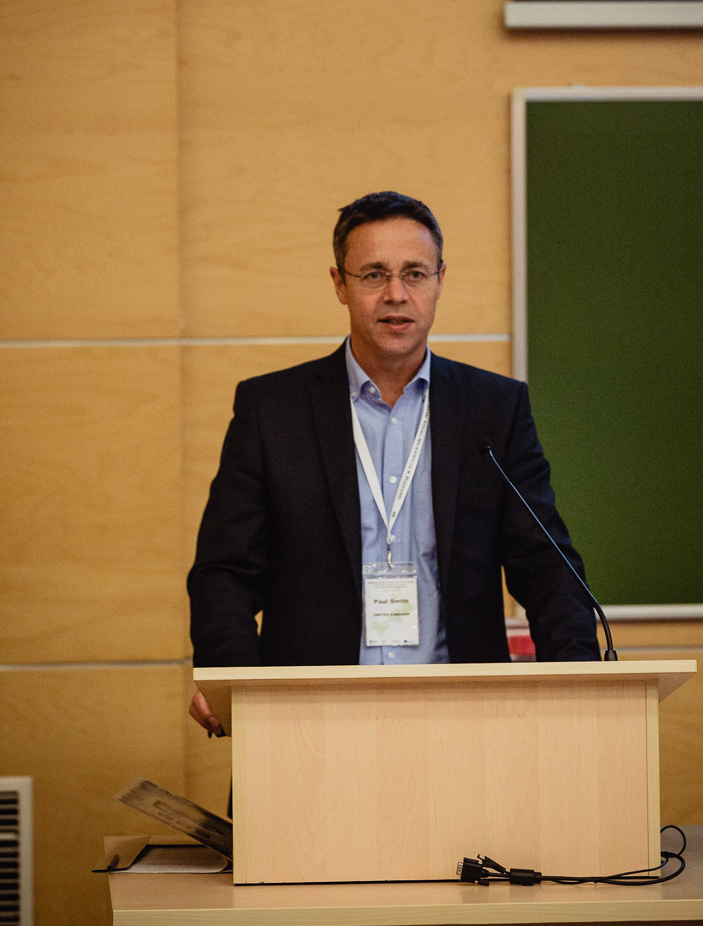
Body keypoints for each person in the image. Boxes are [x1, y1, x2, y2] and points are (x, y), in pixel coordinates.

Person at [188, 191, 599, 734]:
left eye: (415, 274)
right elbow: (225, 572)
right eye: (374, 275)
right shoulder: (273, 411)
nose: (396, 295)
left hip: (463, 721)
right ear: (340, 284)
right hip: (307, 724)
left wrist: (581, 683)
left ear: (440, 280)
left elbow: (546, 565)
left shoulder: (493, 410)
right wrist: (234, 684)